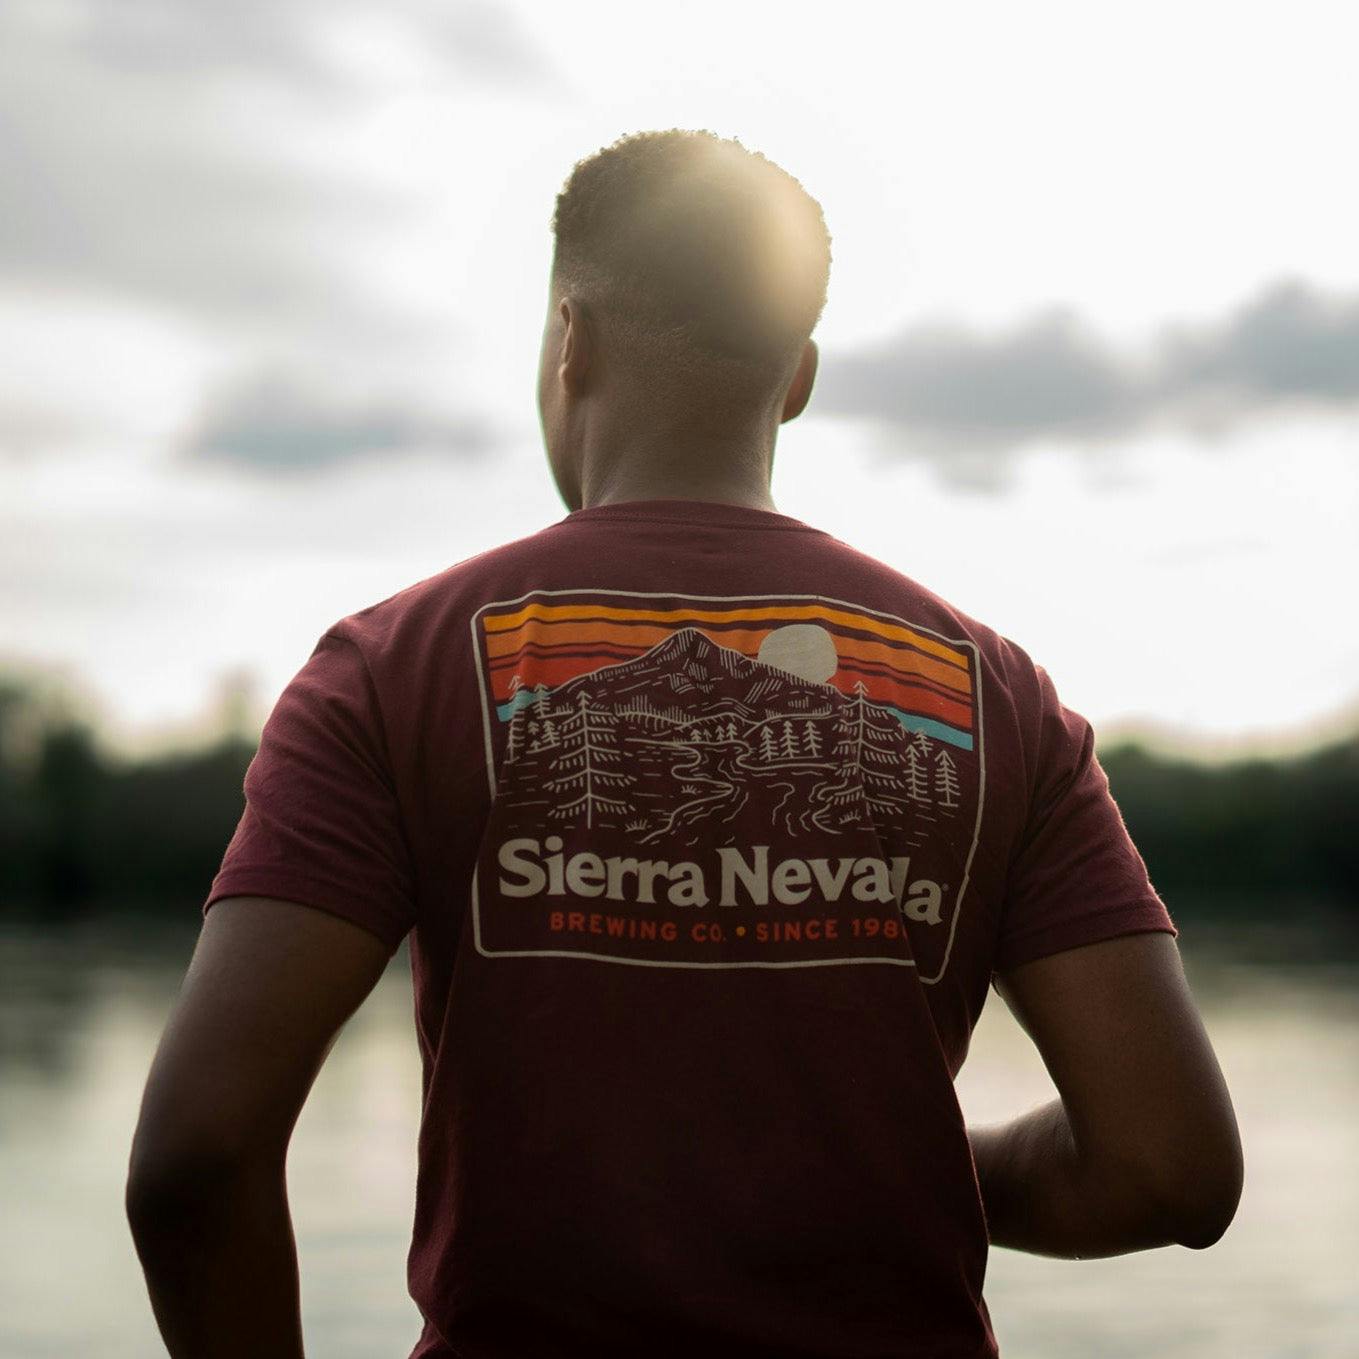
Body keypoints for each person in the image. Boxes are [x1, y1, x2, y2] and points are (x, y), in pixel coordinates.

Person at [126, 129, 1243, 1358]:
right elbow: (1168, 1167)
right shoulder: (997, 693)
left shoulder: (393, 666)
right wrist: (875, 1178)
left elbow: (197, 1157)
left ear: (571, 339)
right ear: (799, 374)